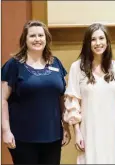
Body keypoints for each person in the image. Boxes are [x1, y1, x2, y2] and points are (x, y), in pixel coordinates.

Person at [1, 20, 70, 164]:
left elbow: (63, 97)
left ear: (46, 39)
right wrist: (6, 131)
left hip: (53, 136)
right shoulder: (14, 65)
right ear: (25, 39)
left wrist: (66, 127)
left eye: (41, 35)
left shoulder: (55, 63)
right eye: (32, 36)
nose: (37, 39)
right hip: (23, 137)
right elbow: (3, 99)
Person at [63, 23, 115, 164]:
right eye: (93, 39)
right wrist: (77, 132)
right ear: (88, 43)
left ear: (107, 42)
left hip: (111, 130)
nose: (98, 43)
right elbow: (73, 103)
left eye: (101, 38)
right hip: (88, 129)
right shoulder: (77, 67)